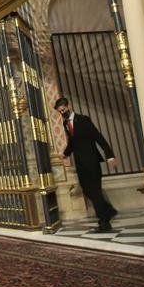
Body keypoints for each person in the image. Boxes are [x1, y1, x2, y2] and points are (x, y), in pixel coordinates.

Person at [54, 97, 119, 233]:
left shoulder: (84, 120)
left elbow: (98, 137)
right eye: (60, 112)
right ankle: (109, 210)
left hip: (92, 161)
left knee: (95, 191)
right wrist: (65, 153)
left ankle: (104, 223)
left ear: (68, 106)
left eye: (63, 110)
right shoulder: (66, 123)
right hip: (80, 163)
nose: (62, 113)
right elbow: (72, 142)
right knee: (87, 190)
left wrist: (110, 155)